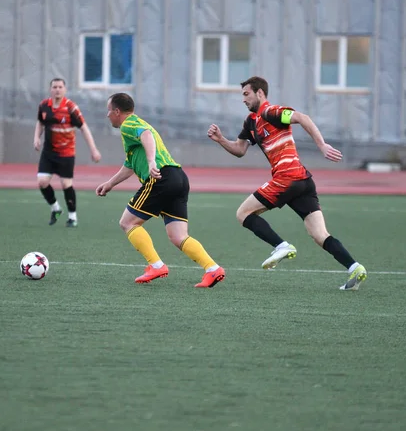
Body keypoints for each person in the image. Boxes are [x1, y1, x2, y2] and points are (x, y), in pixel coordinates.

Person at [206, 76, 367, 291]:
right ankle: (354, 267)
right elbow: (240, 150)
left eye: (246, 94)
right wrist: (221, 140)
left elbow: (302, 118)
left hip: (287, 177)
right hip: (302, 181)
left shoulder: (269, 111)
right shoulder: (251, 121)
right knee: (319, 235)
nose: (243, 99)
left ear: (260, 93)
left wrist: (322, 145)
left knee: (243, 214)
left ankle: (282, 246)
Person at [95, 93, 226, 288]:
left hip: (161, 178)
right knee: (178, 236)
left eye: (109, 111)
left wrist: (150, 162)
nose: (107, 115)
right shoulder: (133, 129)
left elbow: (146, 135)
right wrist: (110, 183)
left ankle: (156, 265)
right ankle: (212, 268)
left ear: (117, 111)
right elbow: (130, 165)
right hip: (178, 178)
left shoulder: (129, 124)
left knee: (127, 222)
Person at [34, 78, 101, 227]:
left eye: (60, 87)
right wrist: (36, 138)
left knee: (66, 184)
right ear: (50, 89)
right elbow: (40, 122)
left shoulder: (71, 108)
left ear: (64, 89)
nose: (57, 89)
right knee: (42, 182)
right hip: (48, 152)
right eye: (54, 87)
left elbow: (84, 128)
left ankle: (72, 217)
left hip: (66, 153)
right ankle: (55, 208)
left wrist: (93, 149)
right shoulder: (44, 106)